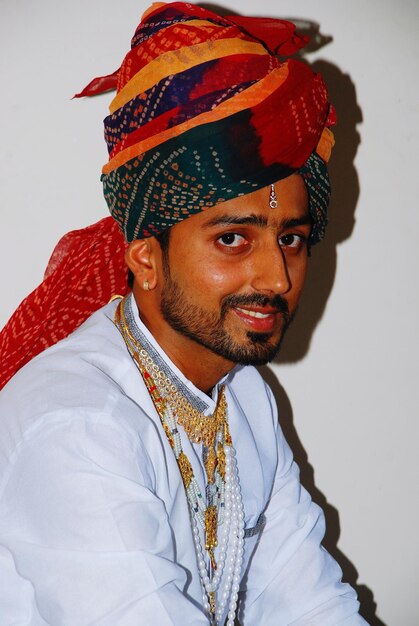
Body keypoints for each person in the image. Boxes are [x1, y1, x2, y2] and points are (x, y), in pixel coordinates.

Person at [0, 3, 368, 624]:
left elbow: (308, 600)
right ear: (146, 257)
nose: (276, 277)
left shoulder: (244, 396)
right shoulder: (77, 424)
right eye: (233, 238)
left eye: (292, 239)